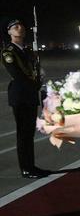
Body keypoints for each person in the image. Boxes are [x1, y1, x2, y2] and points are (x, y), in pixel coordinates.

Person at [2, 19, 51, 179]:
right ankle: (26, 169)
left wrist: (39, 79)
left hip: (30, 95)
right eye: (15, 27)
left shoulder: (28, 50)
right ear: (9, 32)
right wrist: (35, 83)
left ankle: (31, 166)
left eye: (21, 26)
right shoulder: (8, 51)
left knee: (29, 133)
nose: (20, 28)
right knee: (23, 134)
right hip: (20, 95)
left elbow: (35, 70)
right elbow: (17, 75)